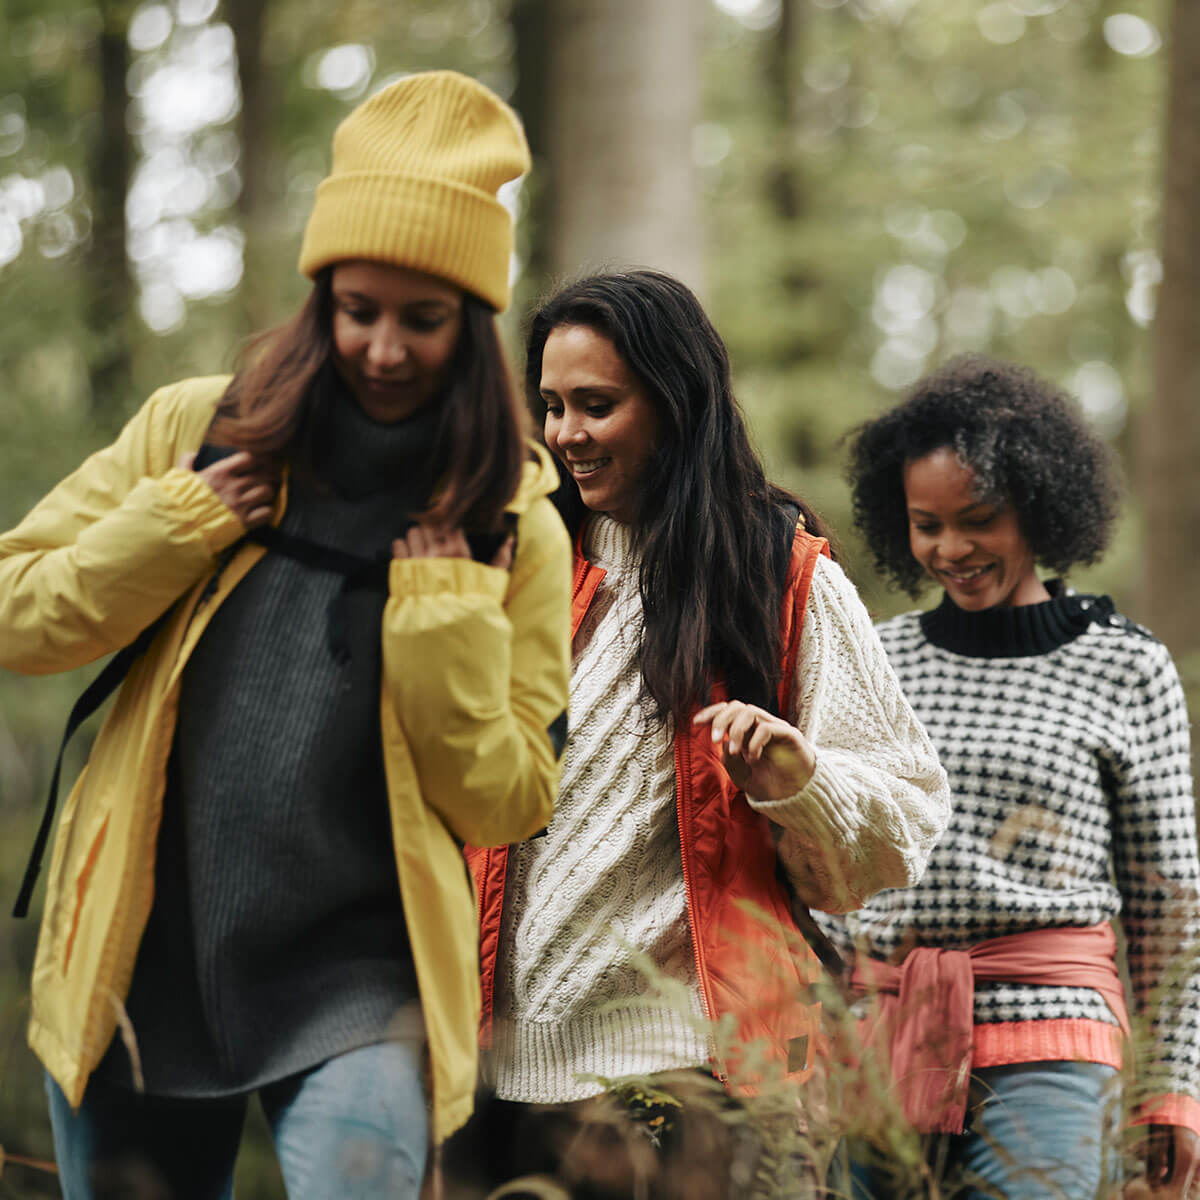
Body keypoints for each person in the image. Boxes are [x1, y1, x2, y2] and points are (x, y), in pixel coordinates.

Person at [0, 70, 572, 1200]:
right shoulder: (196, 433)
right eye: (359, 310)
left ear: (474, 323)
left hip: (361, 979)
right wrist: (177, 527)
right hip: (141, 956)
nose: (385, 348)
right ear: (321, 300)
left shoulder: (513, 524)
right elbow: (19, 611)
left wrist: (446, 620)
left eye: (424, 318)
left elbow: (510, 799)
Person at [450, 269, 950, 1196]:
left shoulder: (780, 574)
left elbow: (901, 826)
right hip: (502, 1086)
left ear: (675, 403)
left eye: (597, 405)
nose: (566, 435)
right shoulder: (516, 567)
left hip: (705, 1074)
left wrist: (803, 781)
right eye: (552, 406)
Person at [833, 354, 1200, 1199]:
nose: (951, 549)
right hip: (885, 1033)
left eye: (979, 519)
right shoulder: (878, 661)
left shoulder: (1126, 667)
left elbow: (1167, 901)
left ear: (1037, 506)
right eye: (926, 525)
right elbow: (838, 861)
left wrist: (1171, 1088)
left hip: (1054, 1042)